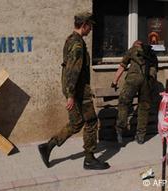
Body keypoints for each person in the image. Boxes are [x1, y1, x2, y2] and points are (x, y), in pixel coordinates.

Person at [38, 12, 110, 170]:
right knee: (91, 121)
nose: (90, 29)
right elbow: (72, 71)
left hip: (73, 89)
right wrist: (71, 95)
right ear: (84, 25)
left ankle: (48, 146)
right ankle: (89, 159)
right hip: (78, 90)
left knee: (76, 122)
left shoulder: (70, 39)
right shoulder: (77, 44)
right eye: (89, 26)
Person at [111, 40, 158, 144]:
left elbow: (123, 66)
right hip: (147, 80)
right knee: (144, 107)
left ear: (135, 44)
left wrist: (115, 81)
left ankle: (120, 129)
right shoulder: (151, 53)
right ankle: (141, 135)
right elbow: (155, 68)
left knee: (124, 102)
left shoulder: (132, 50)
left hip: (133, 79)